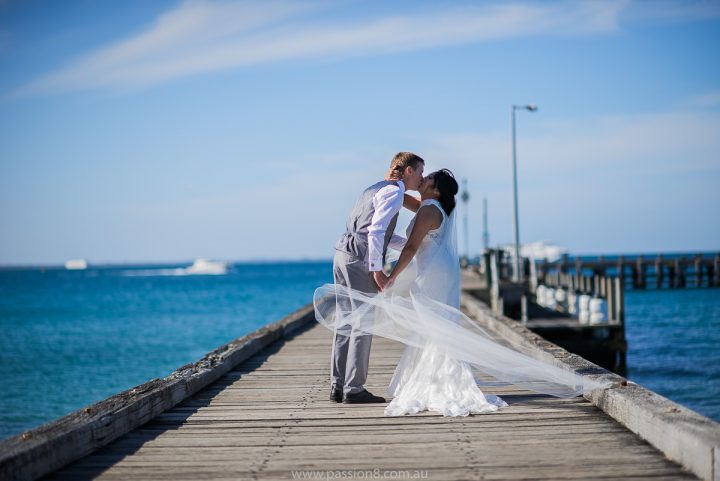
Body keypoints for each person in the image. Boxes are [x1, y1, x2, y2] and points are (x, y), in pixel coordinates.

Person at [315, 168, 613, 416]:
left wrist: (391, 276)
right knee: (434, 326)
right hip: (439, 269)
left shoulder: (429, 210)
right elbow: (405, 200)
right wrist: (393, 182)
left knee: (434, 326)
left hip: (432, 272)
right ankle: (432, 377)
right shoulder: (432, 207)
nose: (421, 181)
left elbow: (410, 247)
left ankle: (444, 381)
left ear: (435, 190)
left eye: (426, 180)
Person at [329, 152, 424, 404]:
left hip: (342, 254)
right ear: (408, 171)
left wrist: (410, 245)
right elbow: (376, 232)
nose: (421, 178)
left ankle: (337, 385)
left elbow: (375, 231)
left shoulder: (372, 189)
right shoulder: (394, 192)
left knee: (345, 321)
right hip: (360, 259)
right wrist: (376, 269)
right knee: (363, 322)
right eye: (420, 172)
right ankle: (354, 388)